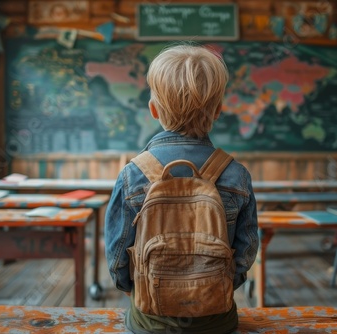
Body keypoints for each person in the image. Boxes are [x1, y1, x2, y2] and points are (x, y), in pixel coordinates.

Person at [104, 43, 259, 334]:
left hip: (150, 321)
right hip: (218, 320)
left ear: (153, 109)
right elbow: (246, 250)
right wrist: (218, 285)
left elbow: (116, 254)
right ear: (218, 111)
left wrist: (134, 289)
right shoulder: (236, 174)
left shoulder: (133, 174)